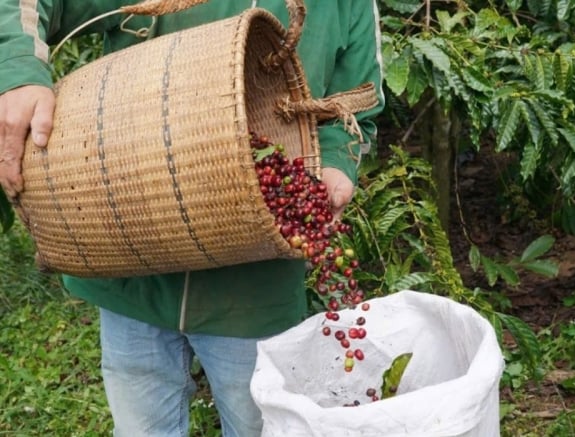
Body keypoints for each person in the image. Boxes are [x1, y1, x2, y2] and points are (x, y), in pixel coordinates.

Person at [0, 1, 384, 436]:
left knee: (260, 426)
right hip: (131, 268)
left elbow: (356, 105)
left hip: (255, 295)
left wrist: (333, 163)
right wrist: (17, 72)